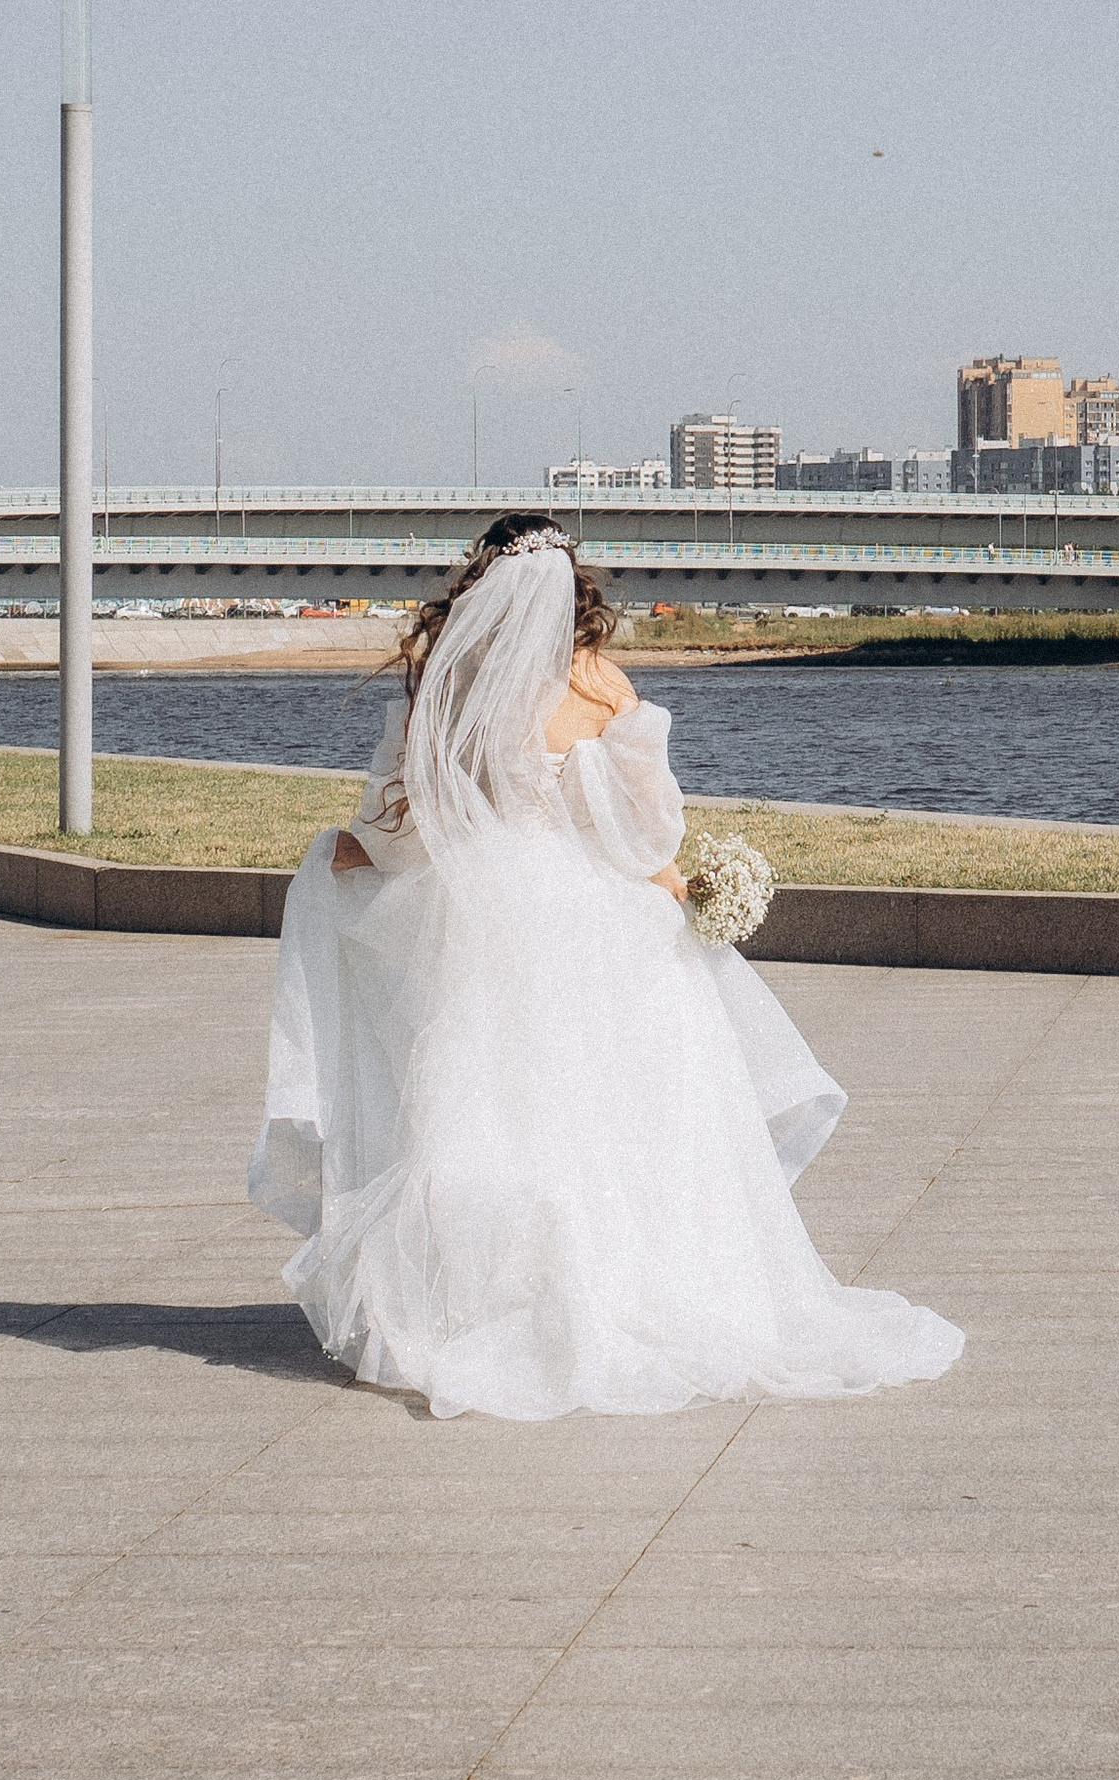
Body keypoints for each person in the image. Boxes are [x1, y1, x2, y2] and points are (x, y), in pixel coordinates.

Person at [249, 513, 965, 1421]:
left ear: (482, 584)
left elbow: (412, 823)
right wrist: (680, 887)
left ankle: (487, 1302)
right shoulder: (604, 686)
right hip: (598, 916)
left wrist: (341, 857)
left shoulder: (454, 680)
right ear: (573, 586)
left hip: (485, 912)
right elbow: (641, 831)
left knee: (492, 1104)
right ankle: (649, 1287)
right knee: (629, 1109)